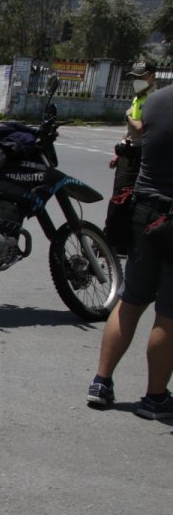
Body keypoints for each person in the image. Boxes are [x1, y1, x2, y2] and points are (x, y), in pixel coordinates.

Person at [87, 83, 173, 420]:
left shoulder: (155, 102)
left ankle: (101, 382)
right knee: (168, 312)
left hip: (144, 212)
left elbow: (137, 138)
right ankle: (155, 397)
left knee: (131, 300)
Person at [106, 60, 156, 255]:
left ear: (151, 76)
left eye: (140, 76)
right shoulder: (139, 97)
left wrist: (128, 116)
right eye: (134, 77)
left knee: (123, 199)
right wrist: (118, 153)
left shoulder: (152, 99)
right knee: (119, 196)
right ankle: (114, 237)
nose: (136, 80)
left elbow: (140, 128)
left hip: (138, 155)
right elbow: (130, 132)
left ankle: (118, 241)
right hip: (127, 153)